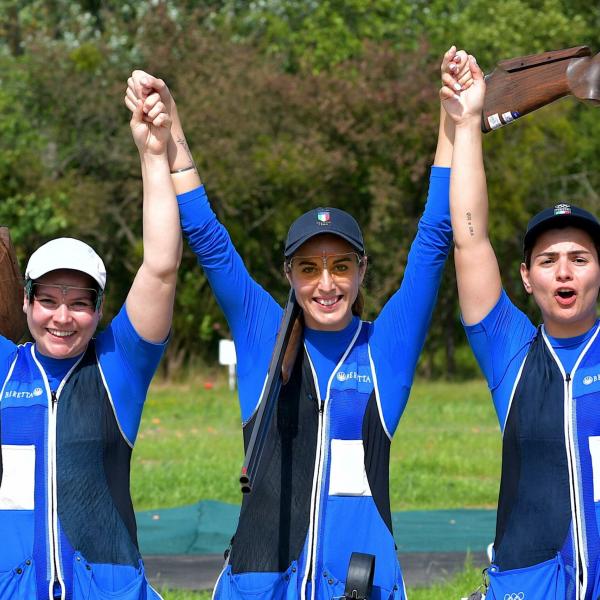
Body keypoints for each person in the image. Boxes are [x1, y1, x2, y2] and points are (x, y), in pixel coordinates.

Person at [127, 49, 465, 599]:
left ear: (361, 273)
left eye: (340, 267)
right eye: (308, 268)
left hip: (364, 584)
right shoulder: (266, 331)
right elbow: (209, 240)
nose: (325, 284)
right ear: (289, 274)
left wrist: (453, 120)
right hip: (260, 583)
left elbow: (434, 235)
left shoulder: (387, 347)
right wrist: (172, 134)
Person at [0, 88, 181, 599]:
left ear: (100, 311)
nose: (62, 316)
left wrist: (153, 154)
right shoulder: (6, 369)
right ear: (25, 303)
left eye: (80, 302)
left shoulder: (116, 365)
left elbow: (161, 266)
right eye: (49, 299)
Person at [443, 51, 600, 600]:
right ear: (526, 278)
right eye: (548, 260)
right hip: (531, 585)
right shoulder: (509, 350)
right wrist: (466, 124)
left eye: (580, 259)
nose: (564, 271)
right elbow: (470, 237)